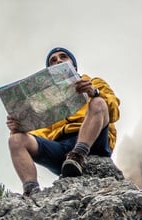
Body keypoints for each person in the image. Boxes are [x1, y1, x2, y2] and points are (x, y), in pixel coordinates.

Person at [7, 47, 120, 196]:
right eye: (53, 60)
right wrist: (18, 128)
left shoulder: (94, 82)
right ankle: (31, 192)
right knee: (15, 140)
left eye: (63, 57)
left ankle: (78, 155)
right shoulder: (44, 100)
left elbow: (114, 111)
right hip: (60, 148)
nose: (58, 60)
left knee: (99, 103)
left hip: (94, 139)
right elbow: (39, 132)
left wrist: (94, 92)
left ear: (73, 65)